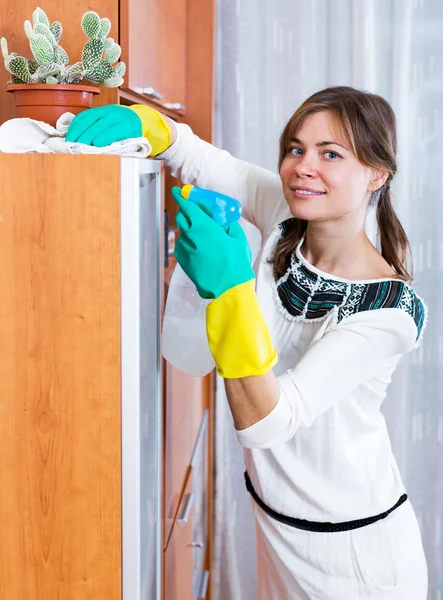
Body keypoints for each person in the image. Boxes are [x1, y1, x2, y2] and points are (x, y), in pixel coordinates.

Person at [67, 86, 428, 599]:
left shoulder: (389, 310)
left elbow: (270, 422)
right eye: (296, 148)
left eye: (331, 154)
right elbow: (203, 161)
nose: (304, 166)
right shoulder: (287, 216)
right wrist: (155, 129)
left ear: (377, 174)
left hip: (355, 559)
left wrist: (231, 292)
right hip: (280, 529)